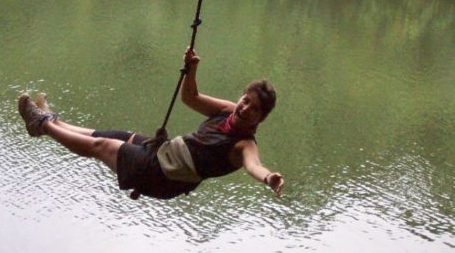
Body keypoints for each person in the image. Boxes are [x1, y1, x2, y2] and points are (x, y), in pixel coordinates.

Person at [18, 47, 284, 200]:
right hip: (163, 151)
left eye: (254, 109)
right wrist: (191, 70)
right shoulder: (228, 110)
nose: (245, 108)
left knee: (101, 145)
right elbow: (190, 98)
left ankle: (41, 124)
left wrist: (269, 177)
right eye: (245, 100)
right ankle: (55, 121)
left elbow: (254, 166)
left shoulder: (244, 145)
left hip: (163, 176)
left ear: (261, 117)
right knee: (108, 133)